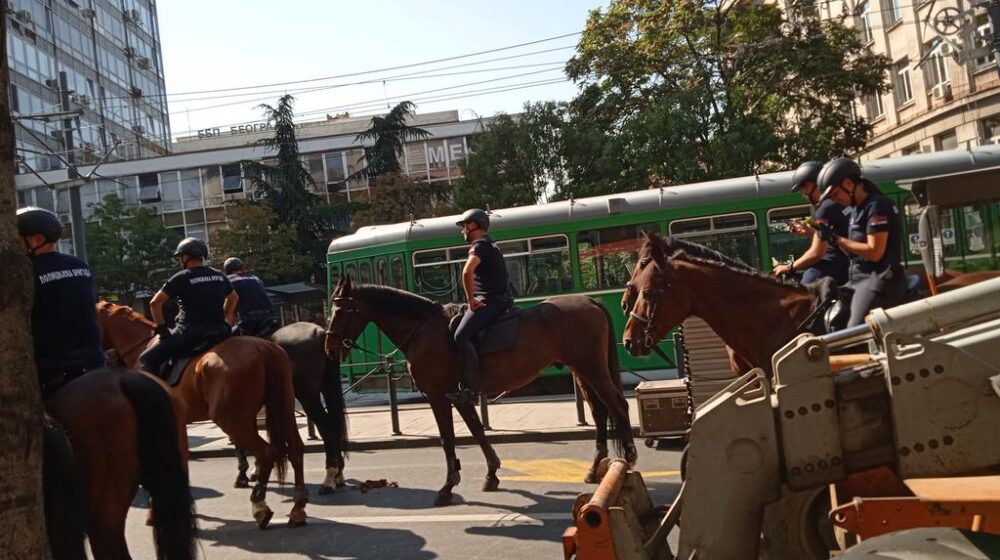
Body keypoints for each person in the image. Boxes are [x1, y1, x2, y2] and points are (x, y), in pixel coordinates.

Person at [16, 207, 105, 397]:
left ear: (37, 239)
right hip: (94, 359)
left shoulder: (27, 272)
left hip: (51, 365)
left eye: (19, 240)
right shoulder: (80, 265)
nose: (17, 246)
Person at [815, 157, 906, 328]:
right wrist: (831, 239)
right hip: (857, 278)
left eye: (835, 194)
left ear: (849, 184)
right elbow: (853, 251)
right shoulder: (857, 209)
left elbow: (874, 252)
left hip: (878, 279)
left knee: (853, 331)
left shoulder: (877, 206)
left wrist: (837, 238)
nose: (834, 200)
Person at [139, 238, 238, 377]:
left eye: (181, 256)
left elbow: (154, 303)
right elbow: (234, 298)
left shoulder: (181, 277)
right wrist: (225, 316)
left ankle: (156, 396)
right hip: (220, 330)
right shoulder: (219, 276)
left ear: (187, 256)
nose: (181, 260)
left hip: (190, 333)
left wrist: (162, 330)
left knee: (146, 359)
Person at [446, 209, 512, 405]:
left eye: (464, 226)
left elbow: (467, 272)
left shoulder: (479, 245)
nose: (462, 231)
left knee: (460, 335)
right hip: (500, 299)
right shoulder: (491, 243)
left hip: (490, 301)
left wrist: (471, 300)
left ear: (474, 225)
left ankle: (469, 389)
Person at [772, 161, 851, 285]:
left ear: (818, 184)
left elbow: (816, 253)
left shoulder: (825, 208)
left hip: (834, 264)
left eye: (805, 188)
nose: (803, 194)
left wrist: (790, 267)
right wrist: (810, 232)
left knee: (803, 292)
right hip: (844, 262)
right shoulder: (837, 202)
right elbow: (829, 236)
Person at [223, 257, 278, 338]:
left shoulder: (228, 281)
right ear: (242, 268)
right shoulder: (256, 278)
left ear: (230, 271)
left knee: (227, 342)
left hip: (250, 322)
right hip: (272, 317)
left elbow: (228, 311)